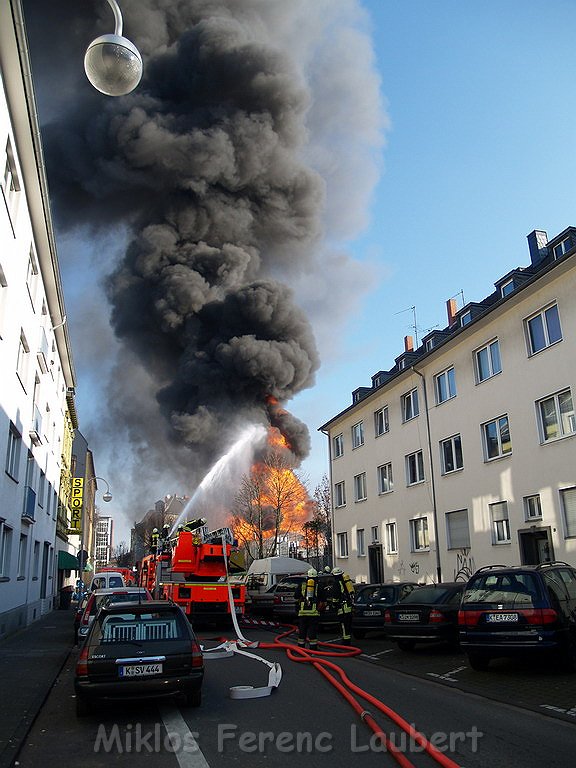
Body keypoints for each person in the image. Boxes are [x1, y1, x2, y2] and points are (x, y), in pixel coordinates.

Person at [294, 568, 325, 650]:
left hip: (302, 613)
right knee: (312, 632)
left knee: (302, 632)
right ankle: (313, 648)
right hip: (314, 613)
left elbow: (296, 596)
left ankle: (301, 648)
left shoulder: (302, 585)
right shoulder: (319, 586)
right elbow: (323, 599)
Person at [332, 567, 355, 645]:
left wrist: (334, 604)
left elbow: (335, 595)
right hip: (348, 606)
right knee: (347, 625)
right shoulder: (345, 582)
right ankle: (347, 640)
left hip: (342, 608)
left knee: (343, 625)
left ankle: (346, 642)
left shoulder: (336, 583)